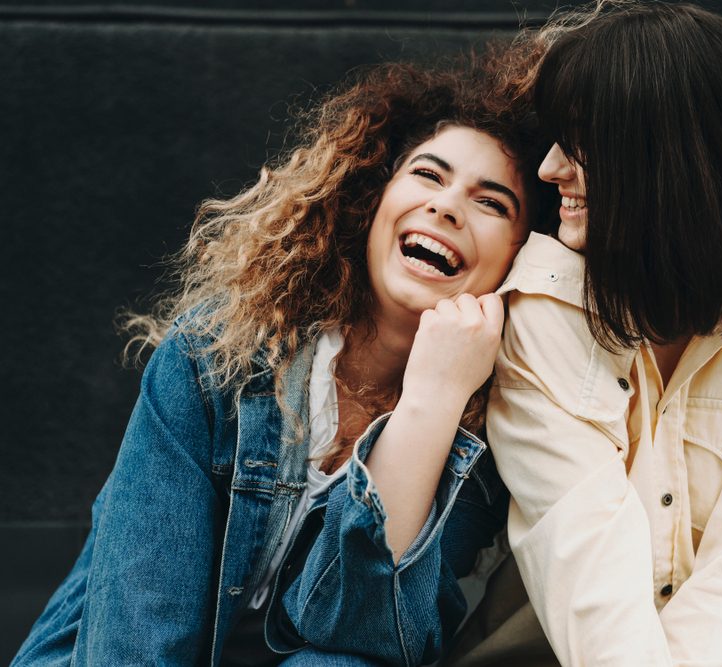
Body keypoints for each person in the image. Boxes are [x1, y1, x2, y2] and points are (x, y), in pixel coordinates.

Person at [14, 44, 555, 667]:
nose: (446, 205)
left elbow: (362, 635)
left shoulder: (488, 442)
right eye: (428, 175)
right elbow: (133, 633)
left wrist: (433, 402)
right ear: (371, 201)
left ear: (521, 258)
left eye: (491, 203)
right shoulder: (216, 354)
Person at [451, 2, 722, 666]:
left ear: (667, 156)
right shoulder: (543, 302)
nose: (549, 168)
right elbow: (584, 568)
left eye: (579, 143)